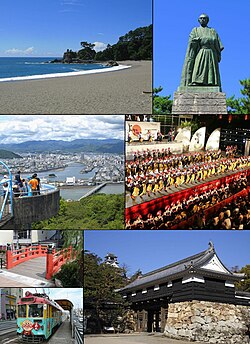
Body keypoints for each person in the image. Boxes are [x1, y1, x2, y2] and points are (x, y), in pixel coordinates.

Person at [180, 14, 224, 89]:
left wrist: (217, 52)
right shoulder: (195, 30)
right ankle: (196, 81)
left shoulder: (212, 31)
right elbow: (191, 40)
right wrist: (195, 41)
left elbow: (219, 44)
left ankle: (211, 82)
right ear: (198, 20)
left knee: (210, 69)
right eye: (201, 18)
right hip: (201, 51)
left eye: (204, 18)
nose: (203, 20)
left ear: (207, 20)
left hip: (211, 53)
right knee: (198, 67)